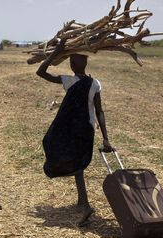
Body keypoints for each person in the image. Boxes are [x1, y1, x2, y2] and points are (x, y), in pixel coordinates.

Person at [36, 39, 113, 226]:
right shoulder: (93, 83)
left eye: (71, 60)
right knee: (74, 161)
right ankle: (82, 201)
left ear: (73, 64)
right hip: (85, 129)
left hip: (76, 130)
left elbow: (41, 72)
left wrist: (55, 54)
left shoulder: (70, 81)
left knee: (72, 160)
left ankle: (86, 206)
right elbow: (99, 112)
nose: (70, 63)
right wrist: (105, 138)